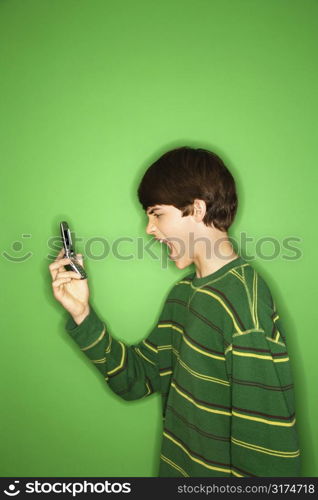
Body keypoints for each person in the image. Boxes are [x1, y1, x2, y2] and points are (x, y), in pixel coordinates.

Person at [49, 146, 301, 477]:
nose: (149, 229)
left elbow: (271, 458)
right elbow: (136, 380)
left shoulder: (243, 305)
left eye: (156, 213)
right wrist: (82, 313)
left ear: (197, 209)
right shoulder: (184, 294)